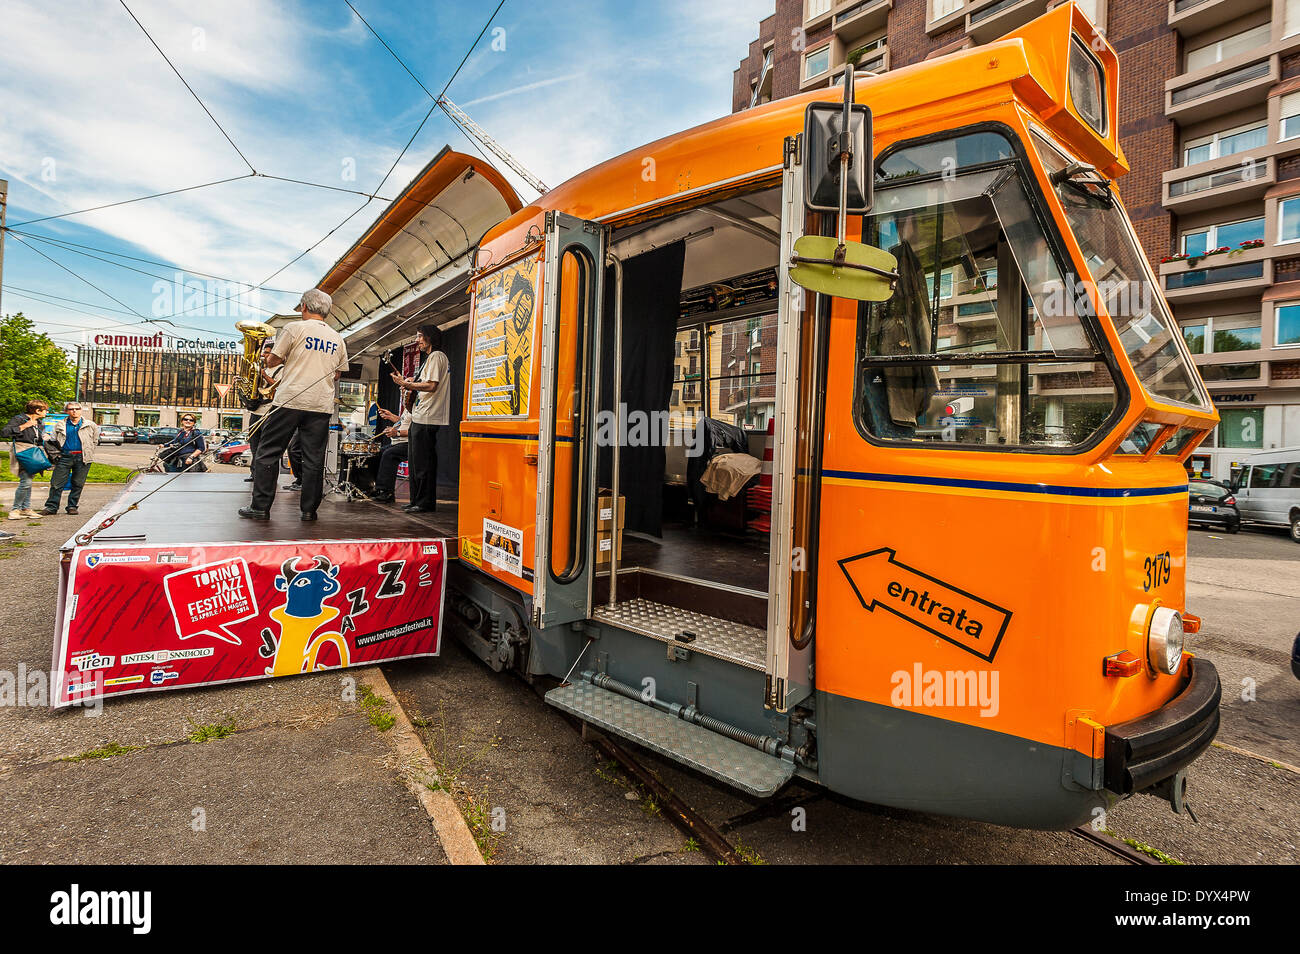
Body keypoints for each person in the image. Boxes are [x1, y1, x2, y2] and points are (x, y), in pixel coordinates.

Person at [241, 288, 348, 522]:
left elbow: (273, 360)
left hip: (290, 400)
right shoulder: (337, 337)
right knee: (313, 459)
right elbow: (338, 374)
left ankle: (260, 507)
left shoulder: (293, 328)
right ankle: (309, 510)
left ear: (304, 307)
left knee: (268, 452)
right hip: (320, 404)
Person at [389, 325, 448, 513]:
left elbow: (431, 386)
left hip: (428, 417)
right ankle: (416, 500)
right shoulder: (430, 358)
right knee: (416, 463)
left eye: (420, 336)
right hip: (421, 415)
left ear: (430, 337)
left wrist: (407, 384)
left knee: (423, 463)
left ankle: (424, 502)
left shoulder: (437, 356)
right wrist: (409, 385)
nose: (418, 340)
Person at [42, 402, 99, 516]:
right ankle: (51, 507)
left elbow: (95, 440)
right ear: (66, 411)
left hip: (82, 457)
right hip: (64, 456)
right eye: (71, 409)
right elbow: (53, 440)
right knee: (56, 483)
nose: (74, 411)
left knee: (78, 483)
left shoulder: (90, 424)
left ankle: (72, 506)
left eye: (77, 409)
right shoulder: (60, 424)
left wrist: (88, 451)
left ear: (81, 410)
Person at [4, 399, 49, 520]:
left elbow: (38, 439)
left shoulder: (39, 422)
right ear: (37, 410)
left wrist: (45, 437)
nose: (46, 412)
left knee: (28, 481)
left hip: (34, 452)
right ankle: (15, 509)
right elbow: (5, 432)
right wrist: (24, 426)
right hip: (22, 451)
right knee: (26, 481)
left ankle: (25, 508)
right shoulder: (19, 419)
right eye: (45, 410)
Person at [245, 339, 280, 483]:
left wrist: (263, 375)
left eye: (267, 354)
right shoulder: (261, 368)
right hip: (256, 411)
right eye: (264, 353)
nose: (264, 356)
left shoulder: (282, 369)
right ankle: (255, 474)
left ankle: (267, 476)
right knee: (254, 445)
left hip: (269, 412)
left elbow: (280, 386)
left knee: (266, 447)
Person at [371, 407, 411, 504]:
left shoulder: (417, 407)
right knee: (377, 453)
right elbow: (402, 422)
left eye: (405, 390)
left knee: (389, 454)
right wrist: (390, 416)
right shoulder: (408, 407)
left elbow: (416, 430)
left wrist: (397, 432)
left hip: (409, 443)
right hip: (398, 442)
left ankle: (387, 493)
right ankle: (375, 488)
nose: (402, 391)